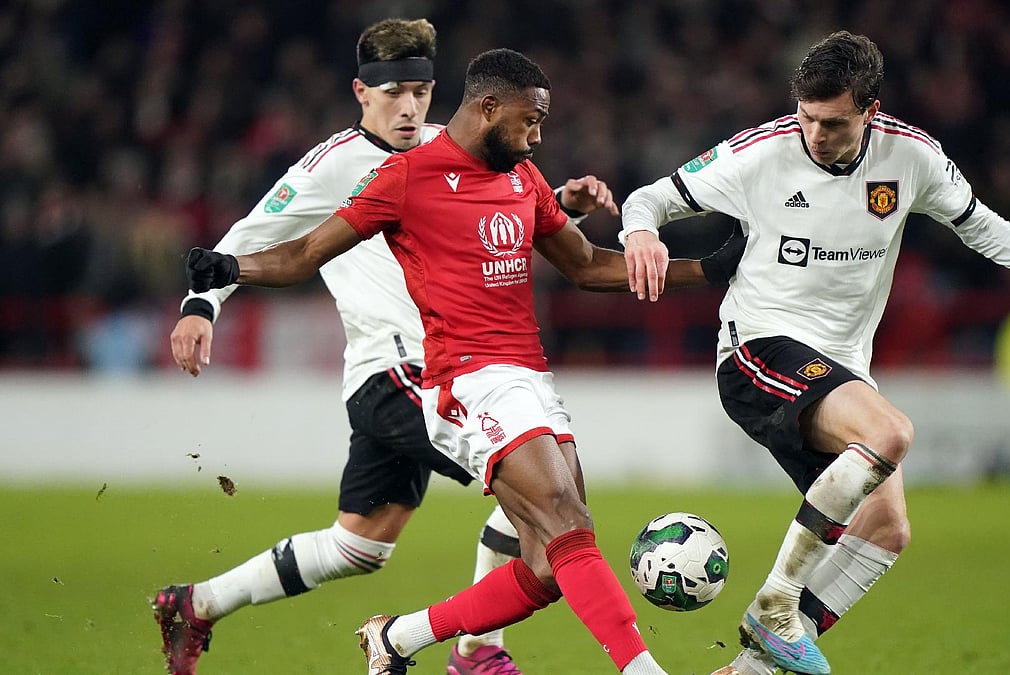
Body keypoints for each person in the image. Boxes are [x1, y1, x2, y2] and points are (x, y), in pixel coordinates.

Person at [154, 20, 703, 675]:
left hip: (427, 375)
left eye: (420, 90)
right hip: (401, 373)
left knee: (358, 547)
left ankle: (197, 601)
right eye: (394, 94)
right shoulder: (334, 166)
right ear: (361, 93)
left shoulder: (464, 147)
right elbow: (257, 238)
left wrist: (564, 207)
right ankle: (477, 651)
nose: (410, 106)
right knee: (542, 499)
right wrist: (199, 304)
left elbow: (488, 228)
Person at [620, 31, 1010, 675]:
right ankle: (774, 607)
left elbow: (977, 223)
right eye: (805, 117)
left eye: (831, 123)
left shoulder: (910, 159)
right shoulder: (761, 154)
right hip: (757, 349)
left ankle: (746, 671)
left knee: (886, 530)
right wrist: (640, 233)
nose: (814, 134)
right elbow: (652, 197)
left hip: (840, 369)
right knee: (891, 432)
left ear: (870, 109)